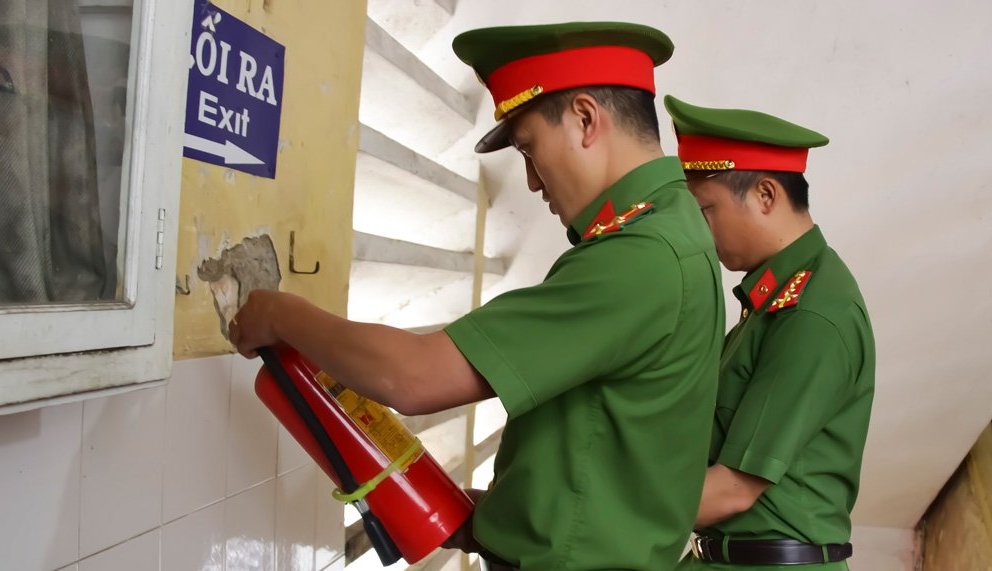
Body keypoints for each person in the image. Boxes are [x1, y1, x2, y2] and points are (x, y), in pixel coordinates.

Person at [231, 23, 725, 570]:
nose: (533, 182)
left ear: (586, 119)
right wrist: (488, 521)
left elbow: (413, 378)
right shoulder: (668, 231)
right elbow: (605, 444)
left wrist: (281, 314)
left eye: (530, 149)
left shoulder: (641, 256)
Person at [662, 95, 875, 570]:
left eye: (706, 210)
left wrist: (601, 517)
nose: (701, 231)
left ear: (764, 195)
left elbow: (733, 490)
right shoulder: (771, 301)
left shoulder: (812, 312)